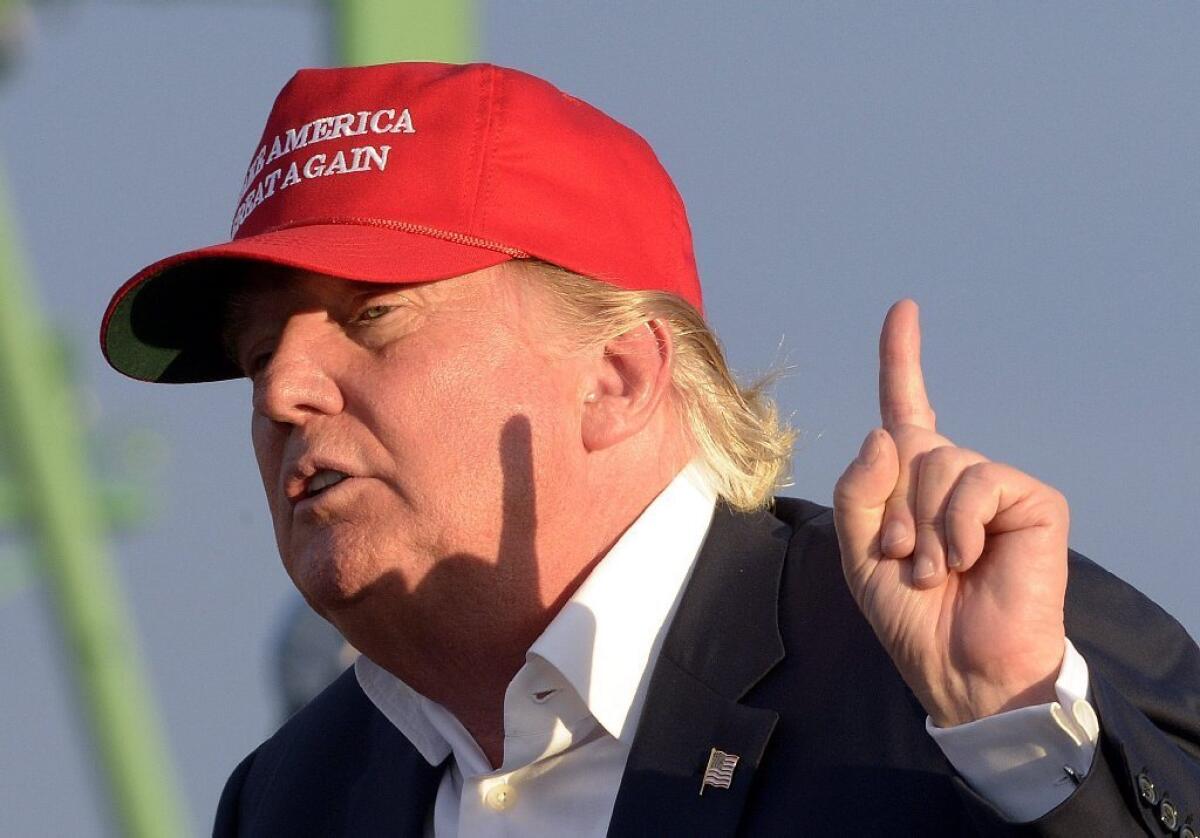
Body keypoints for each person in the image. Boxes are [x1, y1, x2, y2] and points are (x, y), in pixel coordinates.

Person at [100, 62, 1200, 837]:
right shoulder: (291, 797)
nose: (285, 392)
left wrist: (1020, 738)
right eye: (254, 359)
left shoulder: (965, 663)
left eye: (375, 319)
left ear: (618, 377)